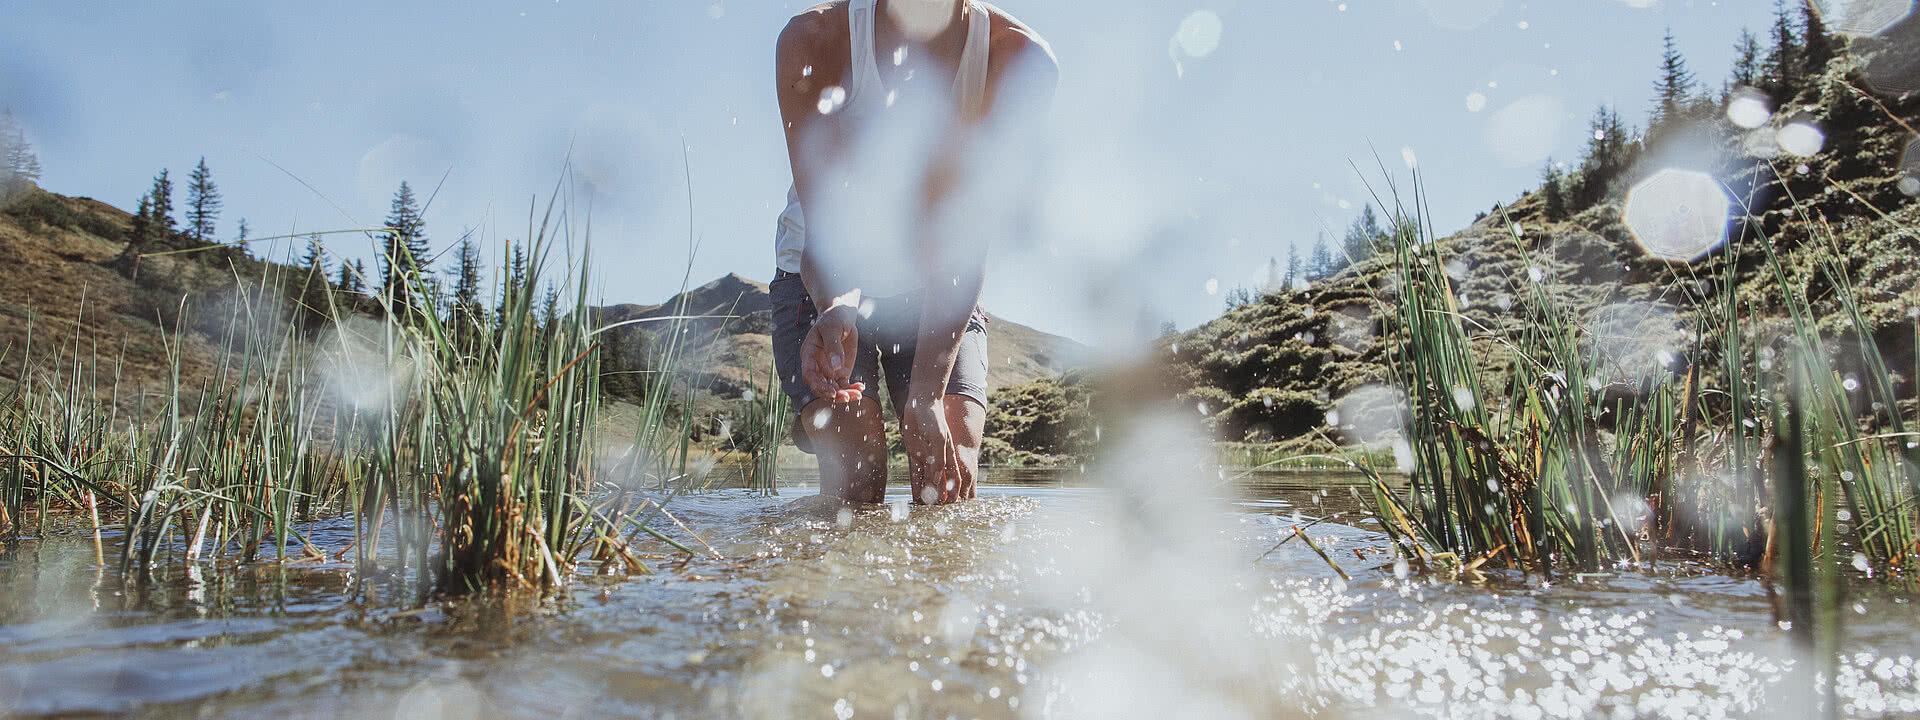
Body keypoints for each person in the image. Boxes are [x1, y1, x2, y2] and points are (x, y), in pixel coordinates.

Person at [770, 0, 1056, 505]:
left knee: (946, 478)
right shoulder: (813, 42)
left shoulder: (1017, 60)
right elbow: (825, 233)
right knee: (855, 488)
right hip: (823, 277)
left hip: (938, 282)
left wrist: (925, 395)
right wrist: (837, 308)